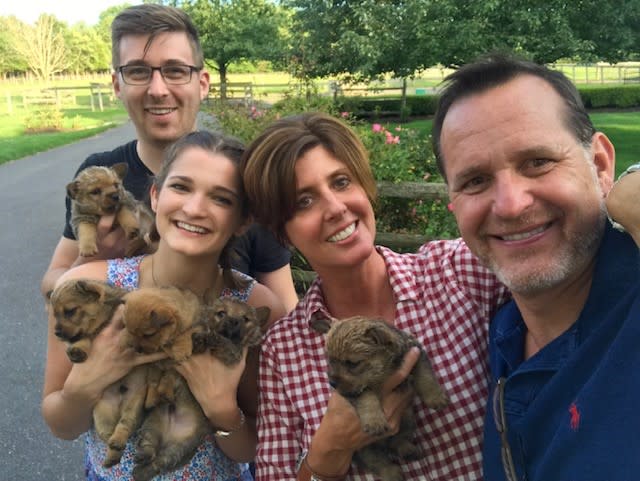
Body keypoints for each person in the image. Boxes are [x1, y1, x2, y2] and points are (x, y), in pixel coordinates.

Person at [240, 112, 510, 481]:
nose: (335, 208)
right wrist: (329, 448)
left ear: (365, 187)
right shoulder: (284, 351)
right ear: (282, 234)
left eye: (341, 182)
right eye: (304, 202)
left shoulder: (461, 273)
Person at [431, 53, 640, 481]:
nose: (510, 205)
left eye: (538, 162)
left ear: (600, 165)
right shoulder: (500, 332)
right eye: (475, 181)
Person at [42, 130, 286, 480]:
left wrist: (221, 409)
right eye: (181, 187)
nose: (194, 208)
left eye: (221, 199)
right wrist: (84, 386)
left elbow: (253, 448)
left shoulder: (253, 307)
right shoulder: (90, 289)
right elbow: (61, 425)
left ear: (243, 221)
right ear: (155, 195)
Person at [39, 3, 298, 312]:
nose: (158, 89)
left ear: (202, 83)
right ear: (117, 85)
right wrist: (90, 262)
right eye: (138, 71)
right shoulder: (101, 175)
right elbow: (52, 284)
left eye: (175, 70)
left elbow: (283, 310)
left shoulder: (247, 177)